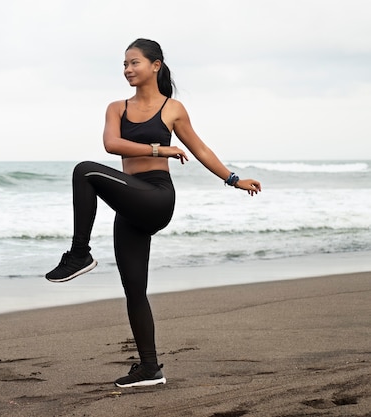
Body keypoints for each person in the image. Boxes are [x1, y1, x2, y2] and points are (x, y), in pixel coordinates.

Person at [45, 38, 261, 388]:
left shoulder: (173, 108)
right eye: (124, 65)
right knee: (134, 289)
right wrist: (160, 148)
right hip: (130, 203)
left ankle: (80, 254)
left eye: (135, 63)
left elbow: (201, 148)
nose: (128, 69)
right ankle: (149, 369)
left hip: (157, 197)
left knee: (85, 170)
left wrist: (233, 179)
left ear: (155, 65)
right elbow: (111, 145)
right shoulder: (116, 107)